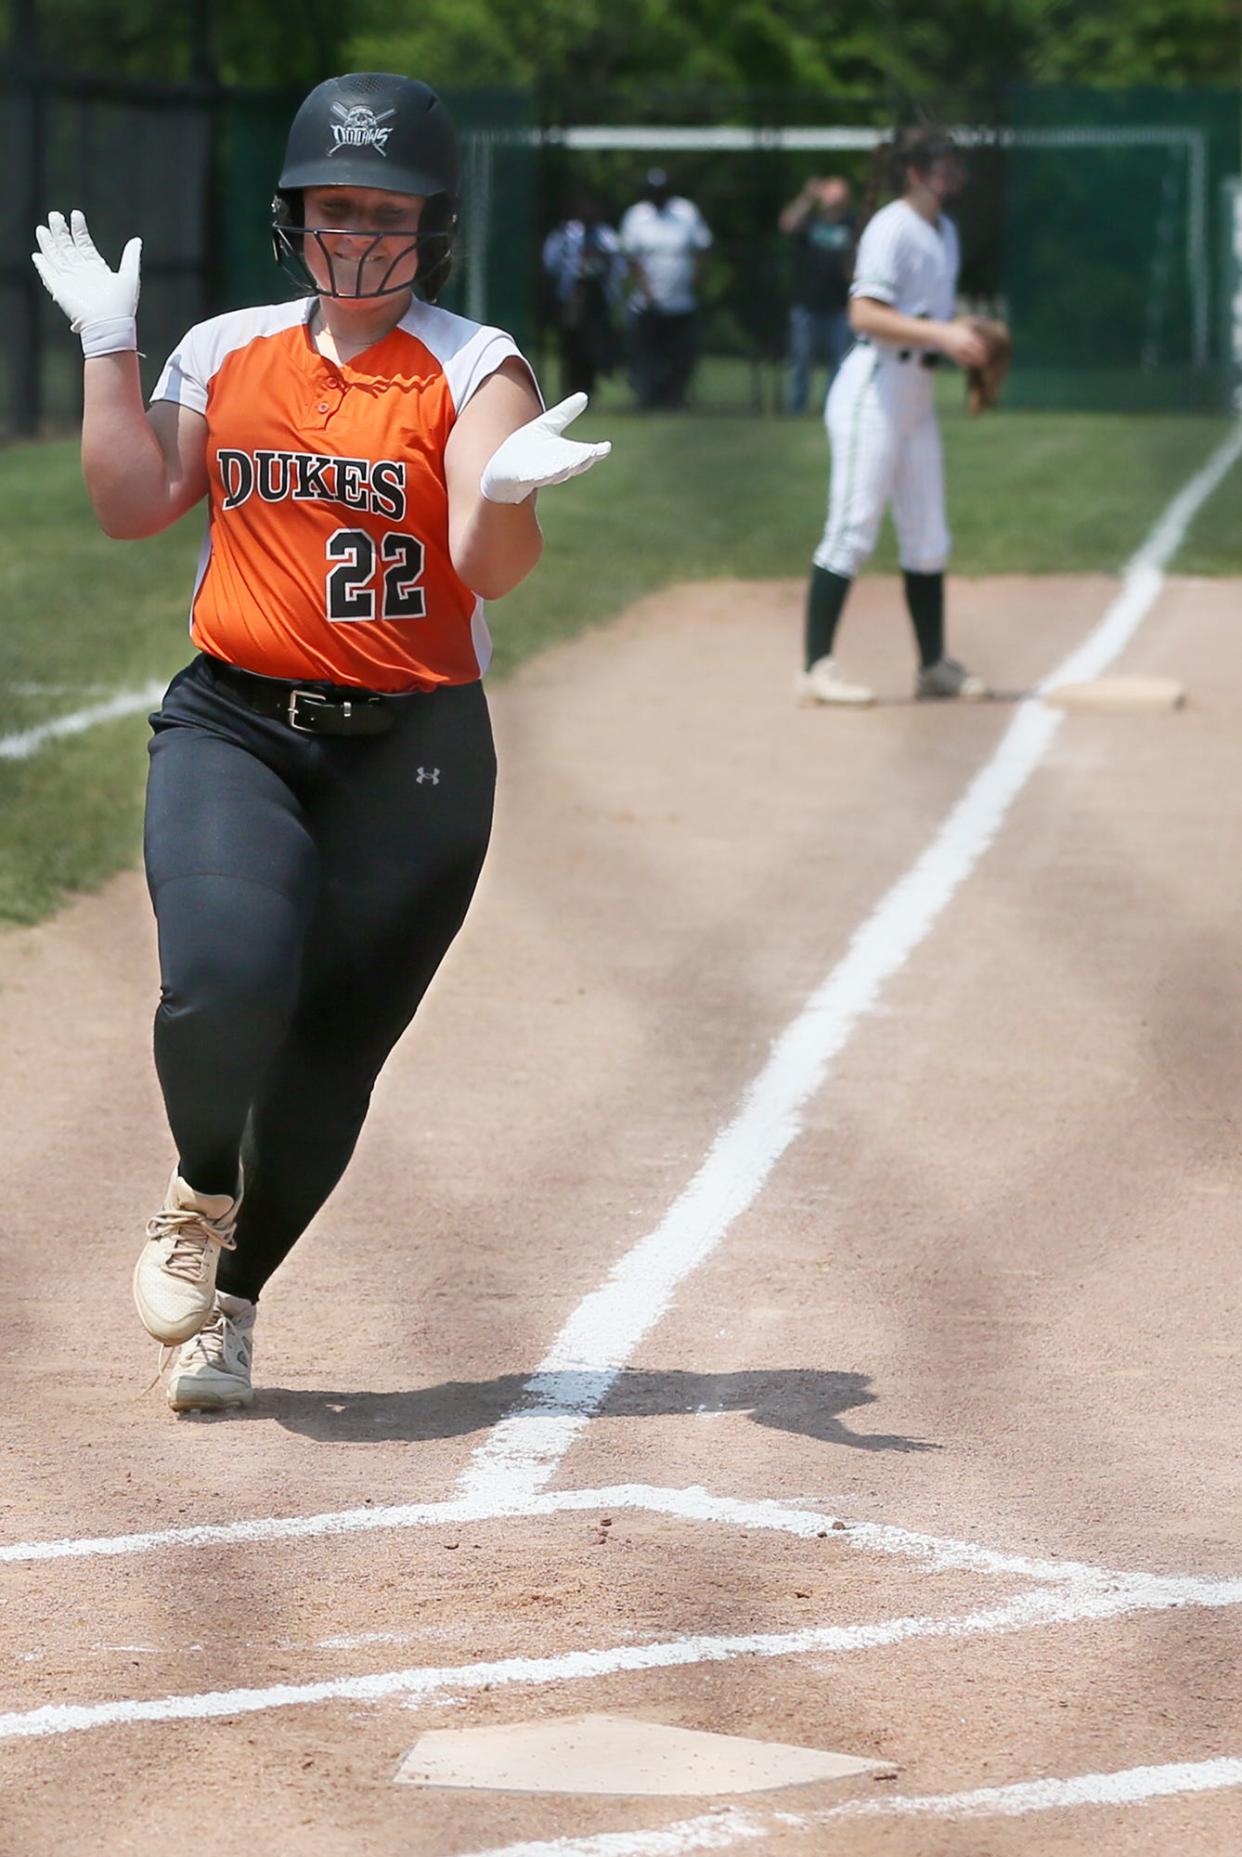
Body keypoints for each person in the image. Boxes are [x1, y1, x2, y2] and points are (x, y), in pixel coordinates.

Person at [31, 72, 610, 1413]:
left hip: (413, 761)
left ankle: (230, 1307)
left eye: (386, 212)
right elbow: (133, 502)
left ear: (432, 225)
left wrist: (508, 496)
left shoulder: (479, 365)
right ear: (293, 215)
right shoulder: (227, 348)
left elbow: (487, 563)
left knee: (331, 1055)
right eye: (334, 208)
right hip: (236, 721)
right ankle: (197, 1189)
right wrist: (108, 350)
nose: (358, 235)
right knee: (222, 982)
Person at [796, 127, 991, 707]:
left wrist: (965, 333)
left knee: (929, 535)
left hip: (916, 394)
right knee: (853, 529)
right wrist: (944, 333)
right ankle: (816, 667)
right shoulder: (891, 226)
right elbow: (864, 313)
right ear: (915, 172)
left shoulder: (944, 231)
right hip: (873, 393)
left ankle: (933, 666)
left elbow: (929, 309)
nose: (953, 171)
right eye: (942, 162)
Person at [619, 168, 712, 410]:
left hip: (681, 302)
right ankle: (646, 398)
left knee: (681, 354)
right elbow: (632, 257)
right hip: (646, 303)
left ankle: (675, 398)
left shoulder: (686, 212)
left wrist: (696, 278)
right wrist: (647, 290)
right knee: (644, 353)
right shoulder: (636, 217)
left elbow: (702, 246)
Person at [778, 175, 856, 413]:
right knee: (801, 361)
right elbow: (787, 224)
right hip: (807, 304)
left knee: (839, 363)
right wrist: (807, 197)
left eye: (839, 194)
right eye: (830, 193)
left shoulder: (852, 224)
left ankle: (832, 407)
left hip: (840, 306)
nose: (834, 199)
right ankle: (796, 407)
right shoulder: (810, 222)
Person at [541, 193, 625, 400]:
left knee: (594, 341)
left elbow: (618, 264)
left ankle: (589, 386)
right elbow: (550, 261)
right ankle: (570, 386)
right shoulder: (565, 234)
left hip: (596, 295)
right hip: (573, 295)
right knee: (571, 342)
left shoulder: (606, 235)